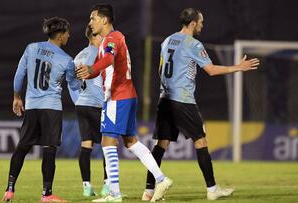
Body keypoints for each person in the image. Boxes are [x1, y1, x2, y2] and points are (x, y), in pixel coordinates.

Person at [142, 8, 260, 201]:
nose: (203, 25)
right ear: (193, 23)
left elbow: (160, 69)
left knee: (161, 144)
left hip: (165, 99)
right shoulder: (193, 44)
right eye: (201, 22)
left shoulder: (166, 41)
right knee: (201, 141)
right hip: (182, 99)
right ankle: (212, 189)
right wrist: (238, 67)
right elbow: (211, 70)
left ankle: (148, 191)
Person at [77, 4, 173, 202]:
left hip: (117, 97)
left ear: (104, 20)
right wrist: (94, 71)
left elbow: (109, 59)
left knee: (107, 142)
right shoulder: (118, 36)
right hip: (128, 95)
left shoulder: (110, 39)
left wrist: (92, 69)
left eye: (93, 18)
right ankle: (161, 179)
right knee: (130, 141)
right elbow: (110, 62)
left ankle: (114, 193)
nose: (90, 22)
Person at [2, 17, 81, 203]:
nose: (69, 35)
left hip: (32, 106)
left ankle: (9, 190)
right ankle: (47, 194)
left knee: (22, 147)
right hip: (51, 108)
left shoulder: (31, 48)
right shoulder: (67, 60)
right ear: (61, 36)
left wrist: (16, 97)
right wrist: (81, 104)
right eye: (67, 33)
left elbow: (19, 73)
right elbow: (74, 87)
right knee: (49, 149)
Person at [69, 25, 109, 197]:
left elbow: (71, 83)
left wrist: (78, 101)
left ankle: (87, 187)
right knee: (109, 145)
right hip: (97, 105)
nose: (104, 38)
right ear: (95, 36)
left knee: (86, 145)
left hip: (81, 105)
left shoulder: (78, 56)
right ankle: (108, 186)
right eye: (101, 35)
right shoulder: (98, 53)